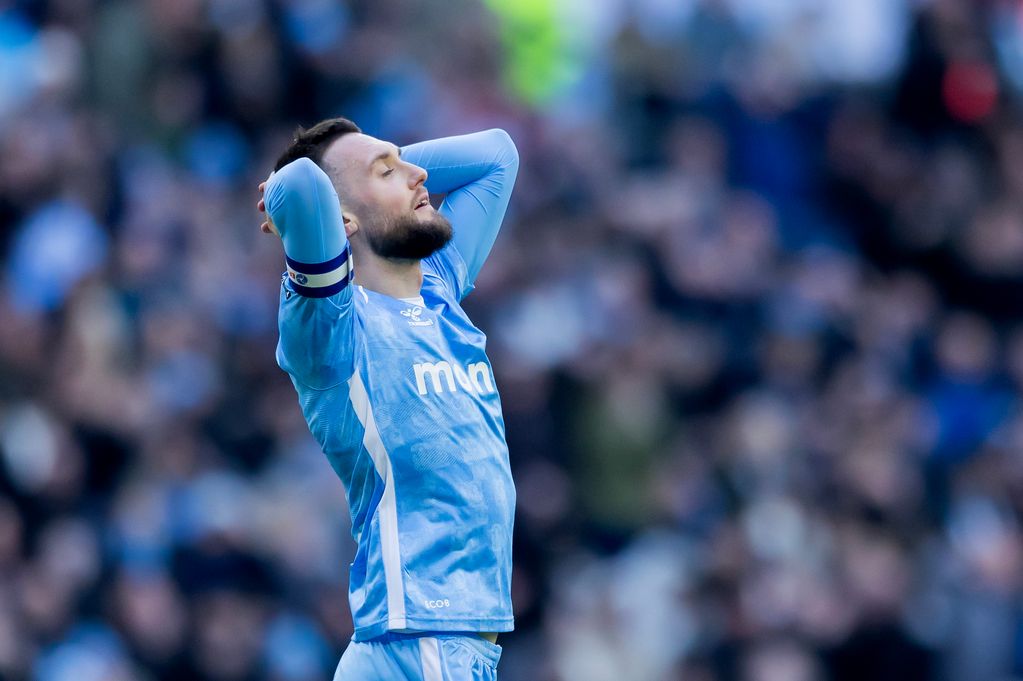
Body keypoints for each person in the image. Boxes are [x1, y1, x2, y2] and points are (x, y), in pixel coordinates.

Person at [256, 117, 519, 681]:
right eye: (389, 171)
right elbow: (300, 183)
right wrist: (311, 197)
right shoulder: (330, 326)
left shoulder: (439, 287)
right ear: (342, 219)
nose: (421, 174)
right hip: (419, 636)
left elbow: (496, 155)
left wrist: (383, 167)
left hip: (442, 645)